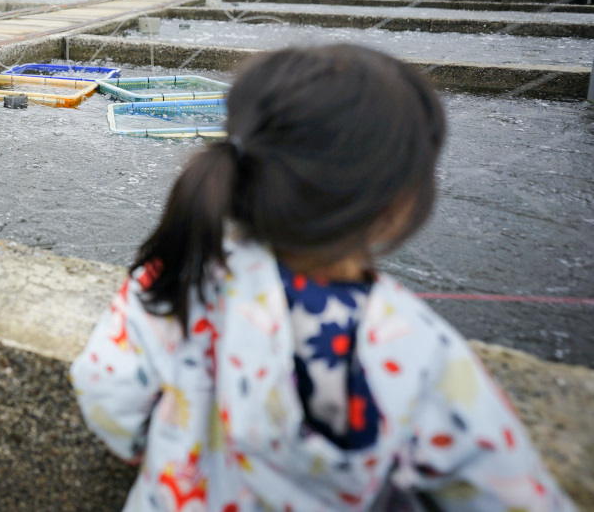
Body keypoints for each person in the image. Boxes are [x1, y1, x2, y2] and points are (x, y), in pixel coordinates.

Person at [71, 44, 573, 511]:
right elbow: (510, 494)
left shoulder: (179, 272)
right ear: (397, 206)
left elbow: (104, 388)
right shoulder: (412, 346)